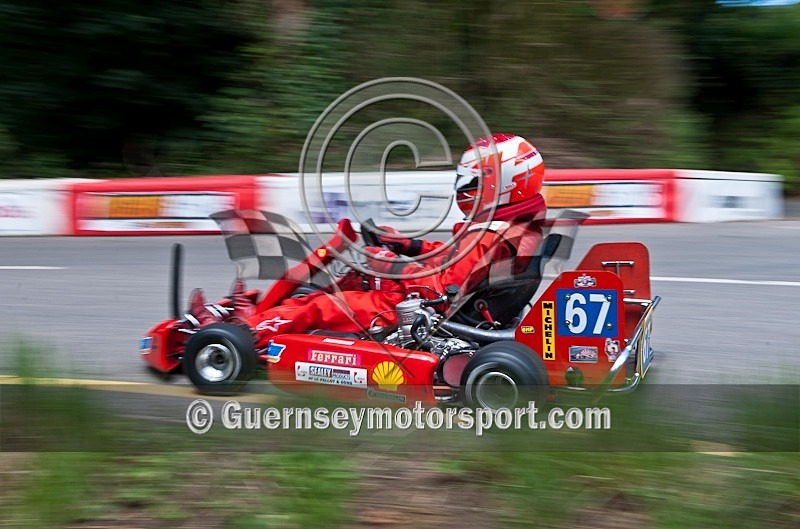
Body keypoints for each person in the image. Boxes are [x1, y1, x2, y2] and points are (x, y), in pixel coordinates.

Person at [189, 133, 547, 347]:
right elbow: (453, 263)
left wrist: (386, 264)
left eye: (474, 183)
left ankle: (240, 335)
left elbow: (440, 290)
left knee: (320, 306)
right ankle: (261, 317)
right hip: (433, 299)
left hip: (421, 312)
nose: (467, 190)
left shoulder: (495, 234)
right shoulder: (514, 227)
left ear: (504, 184)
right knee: (336, 286)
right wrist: (407, 246)